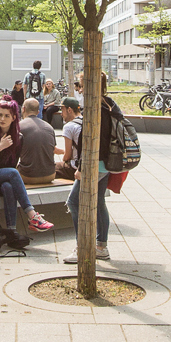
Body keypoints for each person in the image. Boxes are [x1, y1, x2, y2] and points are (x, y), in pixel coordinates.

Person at [63, 80, 127, 264]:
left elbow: (93, 142)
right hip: (104, 165)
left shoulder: (97, 109)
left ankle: (82, 247)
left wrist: (82, 168)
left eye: (83, 85)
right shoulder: (107, 104)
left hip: (95, 165)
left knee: (74, 202)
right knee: (98, 203)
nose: (80, 90)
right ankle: (101, 247)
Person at [0, 97, 52, 232]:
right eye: (0, 115)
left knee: (8, 187)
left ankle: (12, 232)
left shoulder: (18, 137)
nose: (2, 119)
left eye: (7, 116)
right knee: (13, 173)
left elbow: (11, 165)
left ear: (13, 117)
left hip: (2, 178)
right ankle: (32, 215)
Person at [18, 98, 60, 187]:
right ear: (38, 111)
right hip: (50, 175)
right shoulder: (49, 127)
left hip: (27, 176)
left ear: (23, 109)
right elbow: (53, 149)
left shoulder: (19, 127)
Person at [56, 98, 83, 181]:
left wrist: (63, 159)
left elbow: (67, 156)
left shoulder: (69, 126)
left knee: (50, 167)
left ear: (69, 110)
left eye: (62, 110)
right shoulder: (85, 121)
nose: (61, 114)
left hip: (75, 168)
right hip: (88, 165)